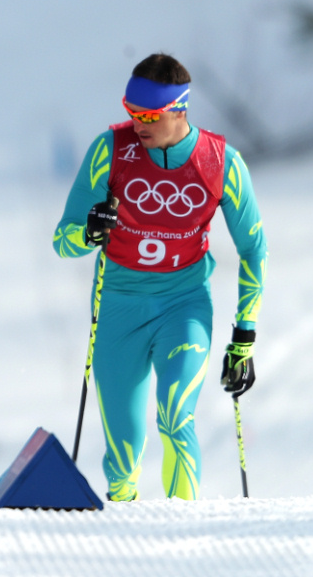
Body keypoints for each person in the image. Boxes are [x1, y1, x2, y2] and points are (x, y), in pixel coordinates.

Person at [53, 53, 266, 501]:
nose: (137, 125)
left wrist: (244, 336)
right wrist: (90, 232)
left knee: (176, 416)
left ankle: (181, 533)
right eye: (131, 113)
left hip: (183, 303)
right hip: (119, 306)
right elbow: (63, 240)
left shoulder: (220, 161)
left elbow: (253, 250)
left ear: (179, 109)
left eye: (148, 115)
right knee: (123, 460)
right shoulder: (110, 149)